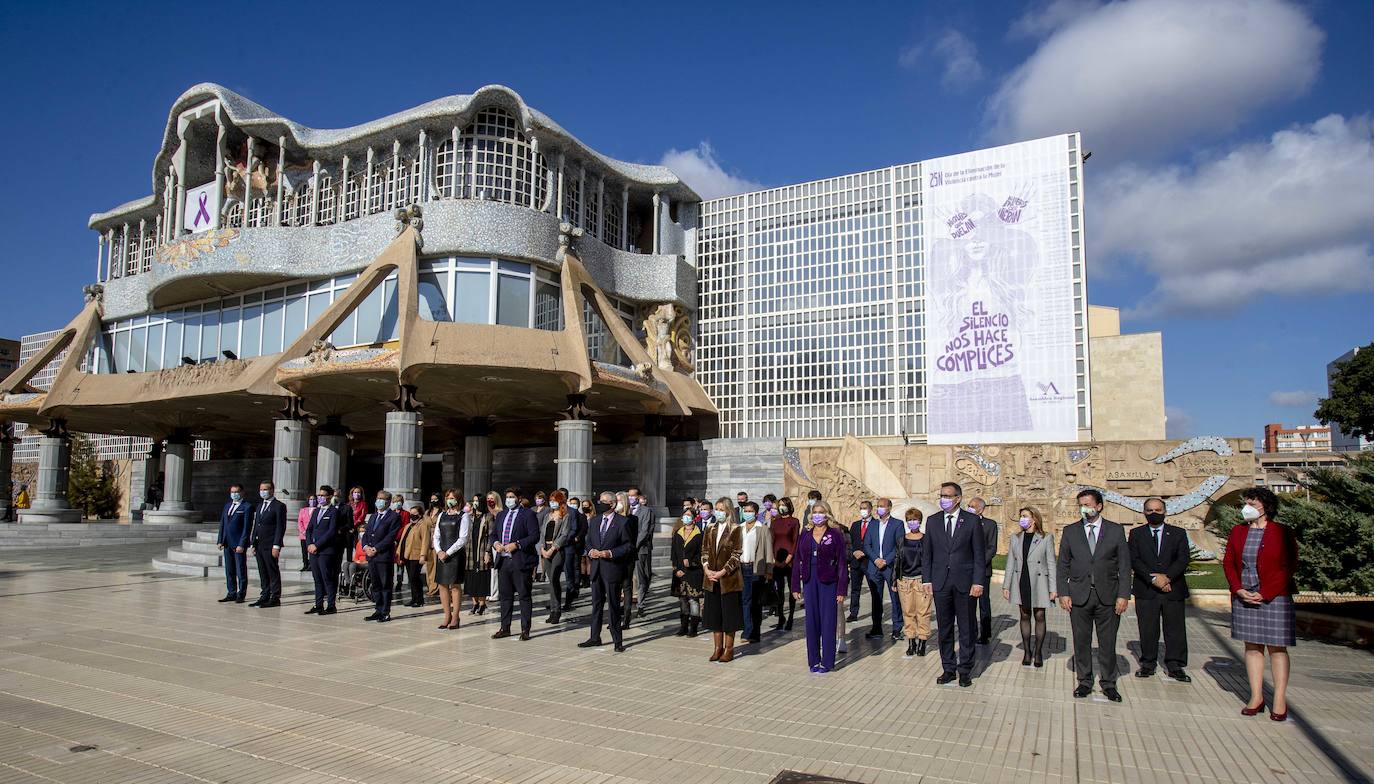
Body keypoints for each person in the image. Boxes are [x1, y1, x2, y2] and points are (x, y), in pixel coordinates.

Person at [1224, 487, 1298, 721]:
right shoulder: (1238, 531)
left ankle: (1279, 699)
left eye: (1252, 504)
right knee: (1252, 647)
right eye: (1246, 503)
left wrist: (1266, 593)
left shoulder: (1282, 531)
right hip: (1245, 595)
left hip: (1275, 597)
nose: (1247, 508)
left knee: (1277, 648)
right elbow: (1229, 562)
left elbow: (1289, 565)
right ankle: (1256, 697)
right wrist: (1237, 588)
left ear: (1266, 507)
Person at [1057, 488, 1131, 701]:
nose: (1084, 508)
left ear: (1099, 506)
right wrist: (1063, 592)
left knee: (1107, 642)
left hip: (1107, 596)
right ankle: (1084, 681)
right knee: (1081, 641)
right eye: (1081, 505)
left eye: (1088, 505)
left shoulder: (1115, 530)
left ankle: (1108, 683)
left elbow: (1124, 566)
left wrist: (1123, 595)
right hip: (1079, 596)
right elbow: (1063, 565)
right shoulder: (1071, 531)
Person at [922, 482, 986, 687]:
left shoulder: (971, 521)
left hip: (964, 582)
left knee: (966, 627)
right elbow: (927, 553)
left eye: (948, 496)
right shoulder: (933, 521)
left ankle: (965, 669)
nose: (944, 499)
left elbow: (979, 554)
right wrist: (927, 579)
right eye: (942, 495)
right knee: (945, 628)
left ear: (958, 498)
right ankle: (948, 668)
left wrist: (978, 581)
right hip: (941, 582)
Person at [1129, 497, 1191, 682]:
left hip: (1173, 588)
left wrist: (1167, 578)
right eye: (1149, 510)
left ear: (1164, 511)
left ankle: (1175, 665)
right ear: (1144, 512)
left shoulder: (1178, 533)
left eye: (1157, 510)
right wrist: (1153, 579)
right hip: (1146, 589)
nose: (1153, 513)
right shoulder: (1136, 533)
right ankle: (1148, 663)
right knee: (1148, 628)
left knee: (1175, 628)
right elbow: (1134, 559)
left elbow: (1183, 558)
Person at [792, 501, 849, 673]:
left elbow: (842, 562)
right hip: (810, 581)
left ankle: (827, 661)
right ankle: (814, 660)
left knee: (828, 621)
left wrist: (841, 589)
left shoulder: (835, 534)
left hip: (828, 581)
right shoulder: (805, 534)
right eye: (815, 512)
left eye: (821, 512)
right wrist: (795, 586)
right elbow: (797, 560)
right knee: (812, 621)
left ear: (827, 514)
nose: (817, 515)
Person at [579, 490, 635, 652]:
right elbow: (589, 540)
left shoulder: (623, 522)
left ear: (612, 504)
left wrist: (609, 553)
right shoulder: (595, 520)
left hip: (612, 568)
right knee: (596, 604)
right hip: (596, 568)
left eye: (603, 501)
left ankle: (617, 640)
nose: (600, 503)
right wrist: (591, 551)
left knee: (613, 605)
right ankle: (594, 637)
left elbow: (628, 546)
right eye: (599, 500)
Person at [1002, 506, 1057, 668]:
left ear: (1034, 519)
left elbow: (1051, 563)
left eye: (1025, 516)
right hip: (1021, 580)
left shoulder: (1046, 537)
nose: (1022, 519)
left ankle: (1038, 651)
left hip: (1040, 581)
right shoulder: (1015, 538)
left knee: (1040, 615)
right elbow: (1010, 563)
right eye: (1021, 516)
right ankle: (1027, 651)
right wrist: (1006, 585)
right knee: (1024, 615)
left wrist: (1053, 588)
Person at [491, 487, 540, 640]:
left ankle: (525, 629)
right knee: (505, 596)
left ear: (519, 498)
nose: (509, 499)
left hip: (520, 560)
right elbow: (493, 535)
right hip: (504, 560)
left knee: (524, 596)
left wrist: (517, 544)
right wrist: (496, 544)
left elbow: (534, 536)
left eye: (512, 497)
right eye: (507, 497)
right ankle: (505, 627)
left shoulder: (528, 514)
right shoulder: (501, 515)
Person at [701, 498, 744, 663]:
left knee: (729, 615)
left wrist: (722, 572)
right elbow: (704, 550)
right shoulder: (710, 528)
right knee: (714, 615)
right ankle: (717, 648)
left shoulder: (735, 529)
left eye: (721, 509)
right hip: (711, 578)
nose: (718, 512)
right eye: (716, 509)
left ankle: (729, 649)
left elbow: (736, 554)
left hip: (728, 579)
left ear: (728, 511)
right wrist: (706, 569)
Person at [861, 497, 904, 641]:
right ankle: (876, 628)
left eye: (882, 506)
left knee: (895, 598)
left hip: (890, 567)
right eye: (878, 506)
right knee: (876, 598)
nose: (879, 508)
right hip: (874, 566)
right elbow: (867, 545)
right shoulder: (873, 524)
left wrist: (886, 560)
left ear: (889, 508)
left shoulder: (897, 524)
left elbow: (899, 545)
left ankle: (897, 628)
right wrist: (876, 559)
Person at [894, 508, 934, 657]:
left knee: (923, 612)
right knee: (908, 611)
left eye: (915, 519)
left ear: (920, 521)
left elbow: (931, 559)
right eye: (910, 520)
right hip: (905, 580)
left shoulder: (926, 539)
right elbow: (897, 559)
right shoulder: (901, 539)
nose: (912, 522)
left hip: (921, 580)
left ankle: (922, 640)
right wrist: (894, 580)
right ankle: (911, 641)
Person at [431, 489, 470, 630]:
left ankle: (455, 617)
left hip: (455, 555)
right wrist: (439, 551)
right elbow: (436, 535)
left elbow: (463, 538)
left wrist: (447, 553)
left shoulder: (463, 516)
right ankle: (447, 615)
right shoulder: (442, 515)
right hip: (442, 554)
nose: (450, 500)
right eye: (448, 498)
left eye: (452, 498)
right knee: (442, 585)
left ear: (458, 499)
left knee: (455, 585)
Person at [361, 491, 402, 622]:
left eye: (382, 499)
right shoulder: (373, 516)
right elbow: (366, 534)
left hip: (383, 556)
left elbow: (391, 536)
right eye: (378, 498)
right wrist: (365, 547)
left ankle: (385, 611)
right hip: (371, 557)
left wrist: (376, 548)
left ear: (388, 502)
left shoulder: (394, 517)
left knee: (385, 585)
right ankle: (378, 609)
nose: (379, 501)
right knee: (375, 584)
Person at [738, 500, 773, 645]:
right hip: (741, 568)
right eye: (745, 511)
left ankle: (754, 632)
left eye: (750, 511)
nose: (747, 514)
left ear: (756, 513)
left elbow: (768, 550)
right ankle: (747, 630)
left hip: (756, 568)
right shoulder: (739, 528)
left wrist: (769, 570)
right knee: (745, 600)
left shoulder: (762, 529)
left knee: (755, 602)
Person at [247, 480, 287, 608]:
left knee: (272, 571)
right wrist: (253, 543)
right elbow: (256, 525)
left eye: (266, 489)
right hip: (259, 544)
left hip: (270, 544)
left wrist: (277, 545)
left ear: (272, 490)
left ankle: (275, 597)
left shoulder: (279, 506)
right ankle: (264, 595)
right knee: (262, 571)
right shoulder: (260, 506)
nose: (263, 492)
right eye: (261, 489)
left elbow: (280, 527)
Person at [304, 485, 342, 615]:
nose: (320, 497)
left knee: (327, 578)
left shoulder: (334, 512)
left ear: (329, 496)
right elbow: (309, 529)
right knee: (317, 578)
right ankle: (318, 604)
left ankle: (331, 605)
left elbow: (331, 532)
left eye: (323, 495)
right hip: (313, 550)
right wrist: (309, 544)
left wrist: (317, 545)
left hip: (326, 550)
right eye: (319, 495)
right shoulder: (316, 511)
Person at [967, 496, 998, 644]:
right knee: (968, 604)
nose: (970, 508)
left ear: (981, 509)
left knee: (984, 603)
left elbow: (992, 548)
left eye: (973, 506)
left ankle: (985, 634)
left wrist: (979, 563)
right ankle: (971, 633)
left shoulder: (990, 525)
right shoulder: (963, 522)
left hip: (982, 570)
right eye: (969, 505)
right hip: (966, 570)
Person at [540, 490, 574, 623]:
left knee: (554, 578)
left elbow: (564, 535)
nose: (552, 503)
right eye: (551, 500)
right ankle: (552, 610)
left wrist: (553, 548)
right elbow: (542, 533)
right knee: (551, 581)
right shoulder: (547, 515)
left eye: (555, 500)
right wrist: (542, 548)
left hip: (557, 550)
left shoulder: (565, 516)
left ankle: (557, 610)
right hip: (546, 548)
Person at [671, 506, 705, 637]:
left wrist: (692, 563)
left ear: (694, 518)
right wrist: (676, 569)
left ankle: (694, 628)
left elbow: (702, 554)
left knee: (693, 600)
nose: (686, 518)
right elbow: (673, 553)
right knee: (683, 600)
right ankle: (683, 627)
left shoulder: (699, 534)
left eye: (689, 515)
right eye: (685, 515)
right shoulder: (678, 533)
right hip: (679, 572)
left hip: (694, 572)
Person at [216, 484, 252, 603]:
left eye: (237, 492)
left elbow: (247, 527)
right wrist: (220, 540)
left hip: (238, 544)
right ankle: (231, 592)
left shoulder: (247, 507)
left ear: (242, 493)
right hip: (227, 543)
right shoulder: (227, 506)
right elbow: (223, 524)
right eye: (232, 492)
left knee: (240, 569)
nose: (234, 494)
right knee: (229, 570)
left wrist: (242, 543)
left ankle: (241, 593)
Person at [769, 496, 800, 631]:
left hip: (790, 560)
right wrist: (773, 558)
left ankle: (791, 617)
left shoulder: (794, 521)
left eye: (783, 505)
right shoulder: (775, 522)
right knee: (779, 590)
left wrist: (789, 557)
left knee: (792, 588)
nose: (781, 507)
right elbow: (771, 540)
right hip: (777, 558)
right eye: (779, 505)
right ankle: (781, 617)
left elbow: (795, 540)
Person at [463, 492, 495, 615]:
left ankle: (482, 604)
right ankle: (474, 603)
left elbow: (491, 535)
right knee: (471, 576)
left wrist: (488, 551)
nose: (475, 503)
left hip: (481, 550)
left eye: (477, 501)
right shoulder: (469, 517)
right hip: (470, 550)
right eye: (474, 501)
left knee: (481, 577)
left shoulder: (488, 517)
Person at [627, 486, 655, 618]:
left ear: (638, 497)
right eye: (629, 495)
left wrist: (634, 545)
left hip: (640, 549)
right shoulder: (626, 509)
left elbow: (645, 530)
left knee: (642, 576)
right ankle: (627, 603)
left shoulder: (646, 511)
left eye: (633, 496)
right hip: (626, 549)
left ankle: (640, 604)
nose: (630, 498)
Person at [398, 500, 432, 608]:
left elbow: (425, 541)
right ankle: (414, 598)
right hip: (407, 555)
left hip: (416, 555)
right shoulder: (408, 526)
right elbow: (403, 540)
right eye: (411, 513)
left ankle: (419, 599)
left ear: (420, 515)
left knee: (414, 577)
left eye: (414, 514)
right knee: (411, 577)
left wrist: (423, 555)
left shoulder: (423, 525)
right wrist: (399, 553)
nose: (412, 515)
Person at [845, 501, 873, 622]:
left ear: (870, 509)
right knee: (855, 589)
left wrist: (865, 552)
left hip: (869, 562)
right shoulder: (855, 525)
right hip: (856, 562)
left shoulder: (876, 524)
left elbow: (876, 543)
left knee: (874, 590)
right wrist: (853, 553)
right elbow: (850, 542)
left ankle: (876, 614)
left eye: (865, 508)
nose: (863, 510)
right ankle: (853, 613)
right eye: (861, 508)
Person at [614, 491, 637, 629]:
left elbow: (631, 540)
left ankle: (626, 619)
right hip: (614, 557)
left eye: (619, 501)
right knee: (615, 588)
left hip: (627, 557)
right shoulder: (613, 517)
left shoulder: (632, 519)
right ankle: (615, 618)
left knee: (627, 587)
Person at [561, 494, 587, 610]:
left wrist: (577, 538)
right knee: (569, 570)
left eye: (575, 503)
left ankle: (573, 591)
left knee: (574, 568)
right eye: (571, 503)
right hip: (564, 546)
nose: (573, 505)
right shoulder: (561, 513)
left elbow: (582, 529)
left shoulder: (580, 516)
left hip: (575, 546)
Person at [297, 495, 317, 572]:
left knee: (311, 550)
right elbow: (300, 522)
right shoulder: (303, 510)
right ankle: (305, 564)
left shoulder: (317, 510)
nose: (312, 501)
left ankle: (312, 565)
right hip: (303, 535)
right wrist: (303, 531)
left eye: (314, 499)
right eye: (311, 499)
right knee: (304, 551)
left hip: (313, 534)